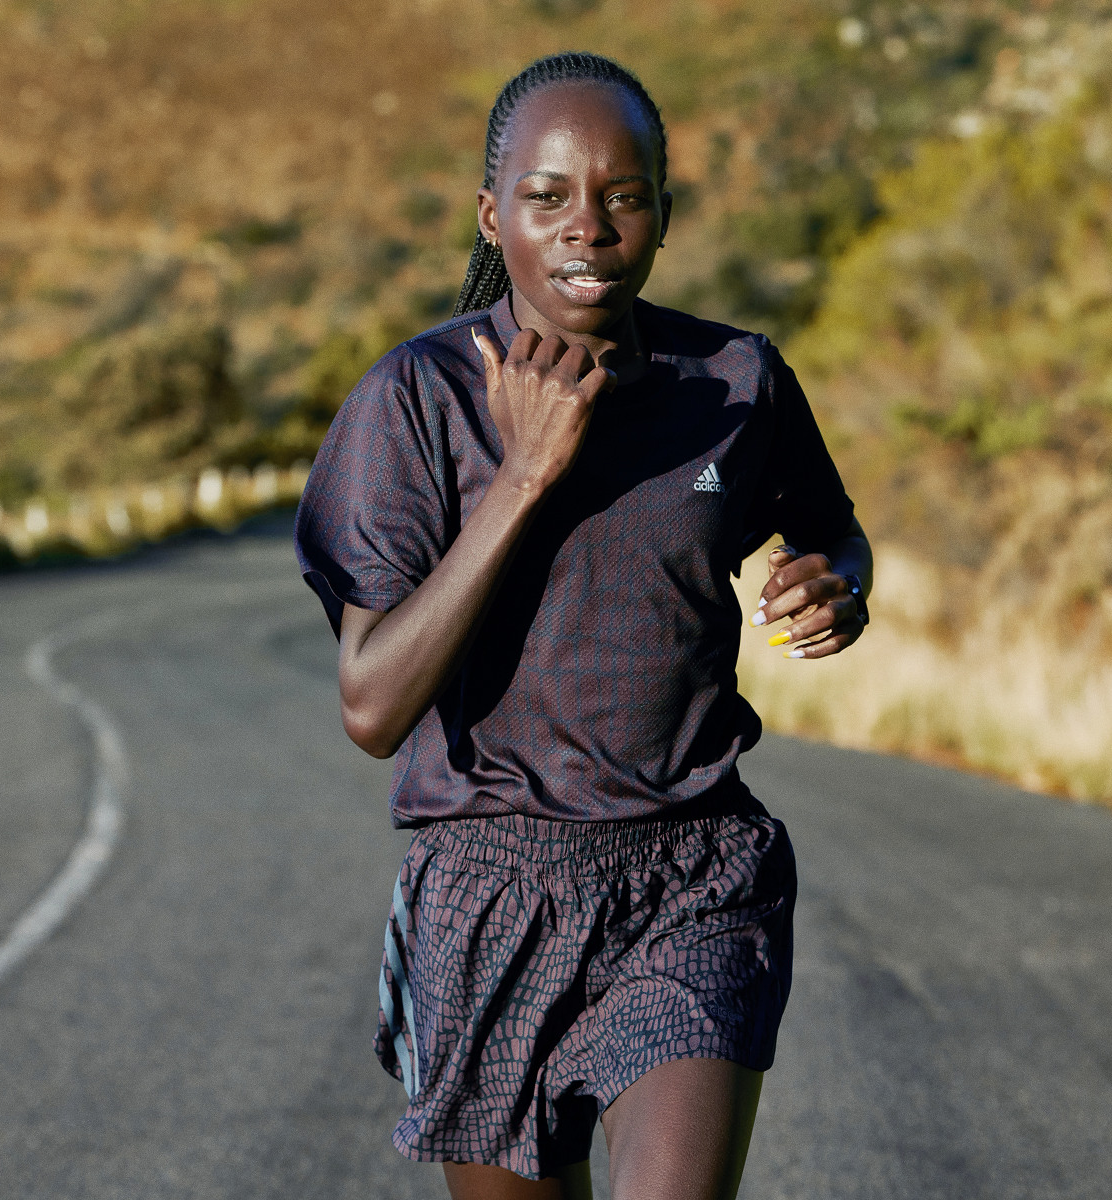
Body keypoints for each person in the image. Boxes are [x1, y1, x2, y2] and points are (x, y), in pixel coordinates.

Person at [295, 51, 872, 1200]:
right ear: (492, 215)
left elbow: (829, 528)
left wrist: (835, 583)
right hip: (488, 888)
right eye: (547, 195)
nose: (587, 228)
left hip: (696, 871)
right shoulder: (416, 401)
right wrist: (525, 477)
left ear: (662, 214)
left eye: (624, 196)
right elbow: (372, 705)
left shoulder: (737, 380)